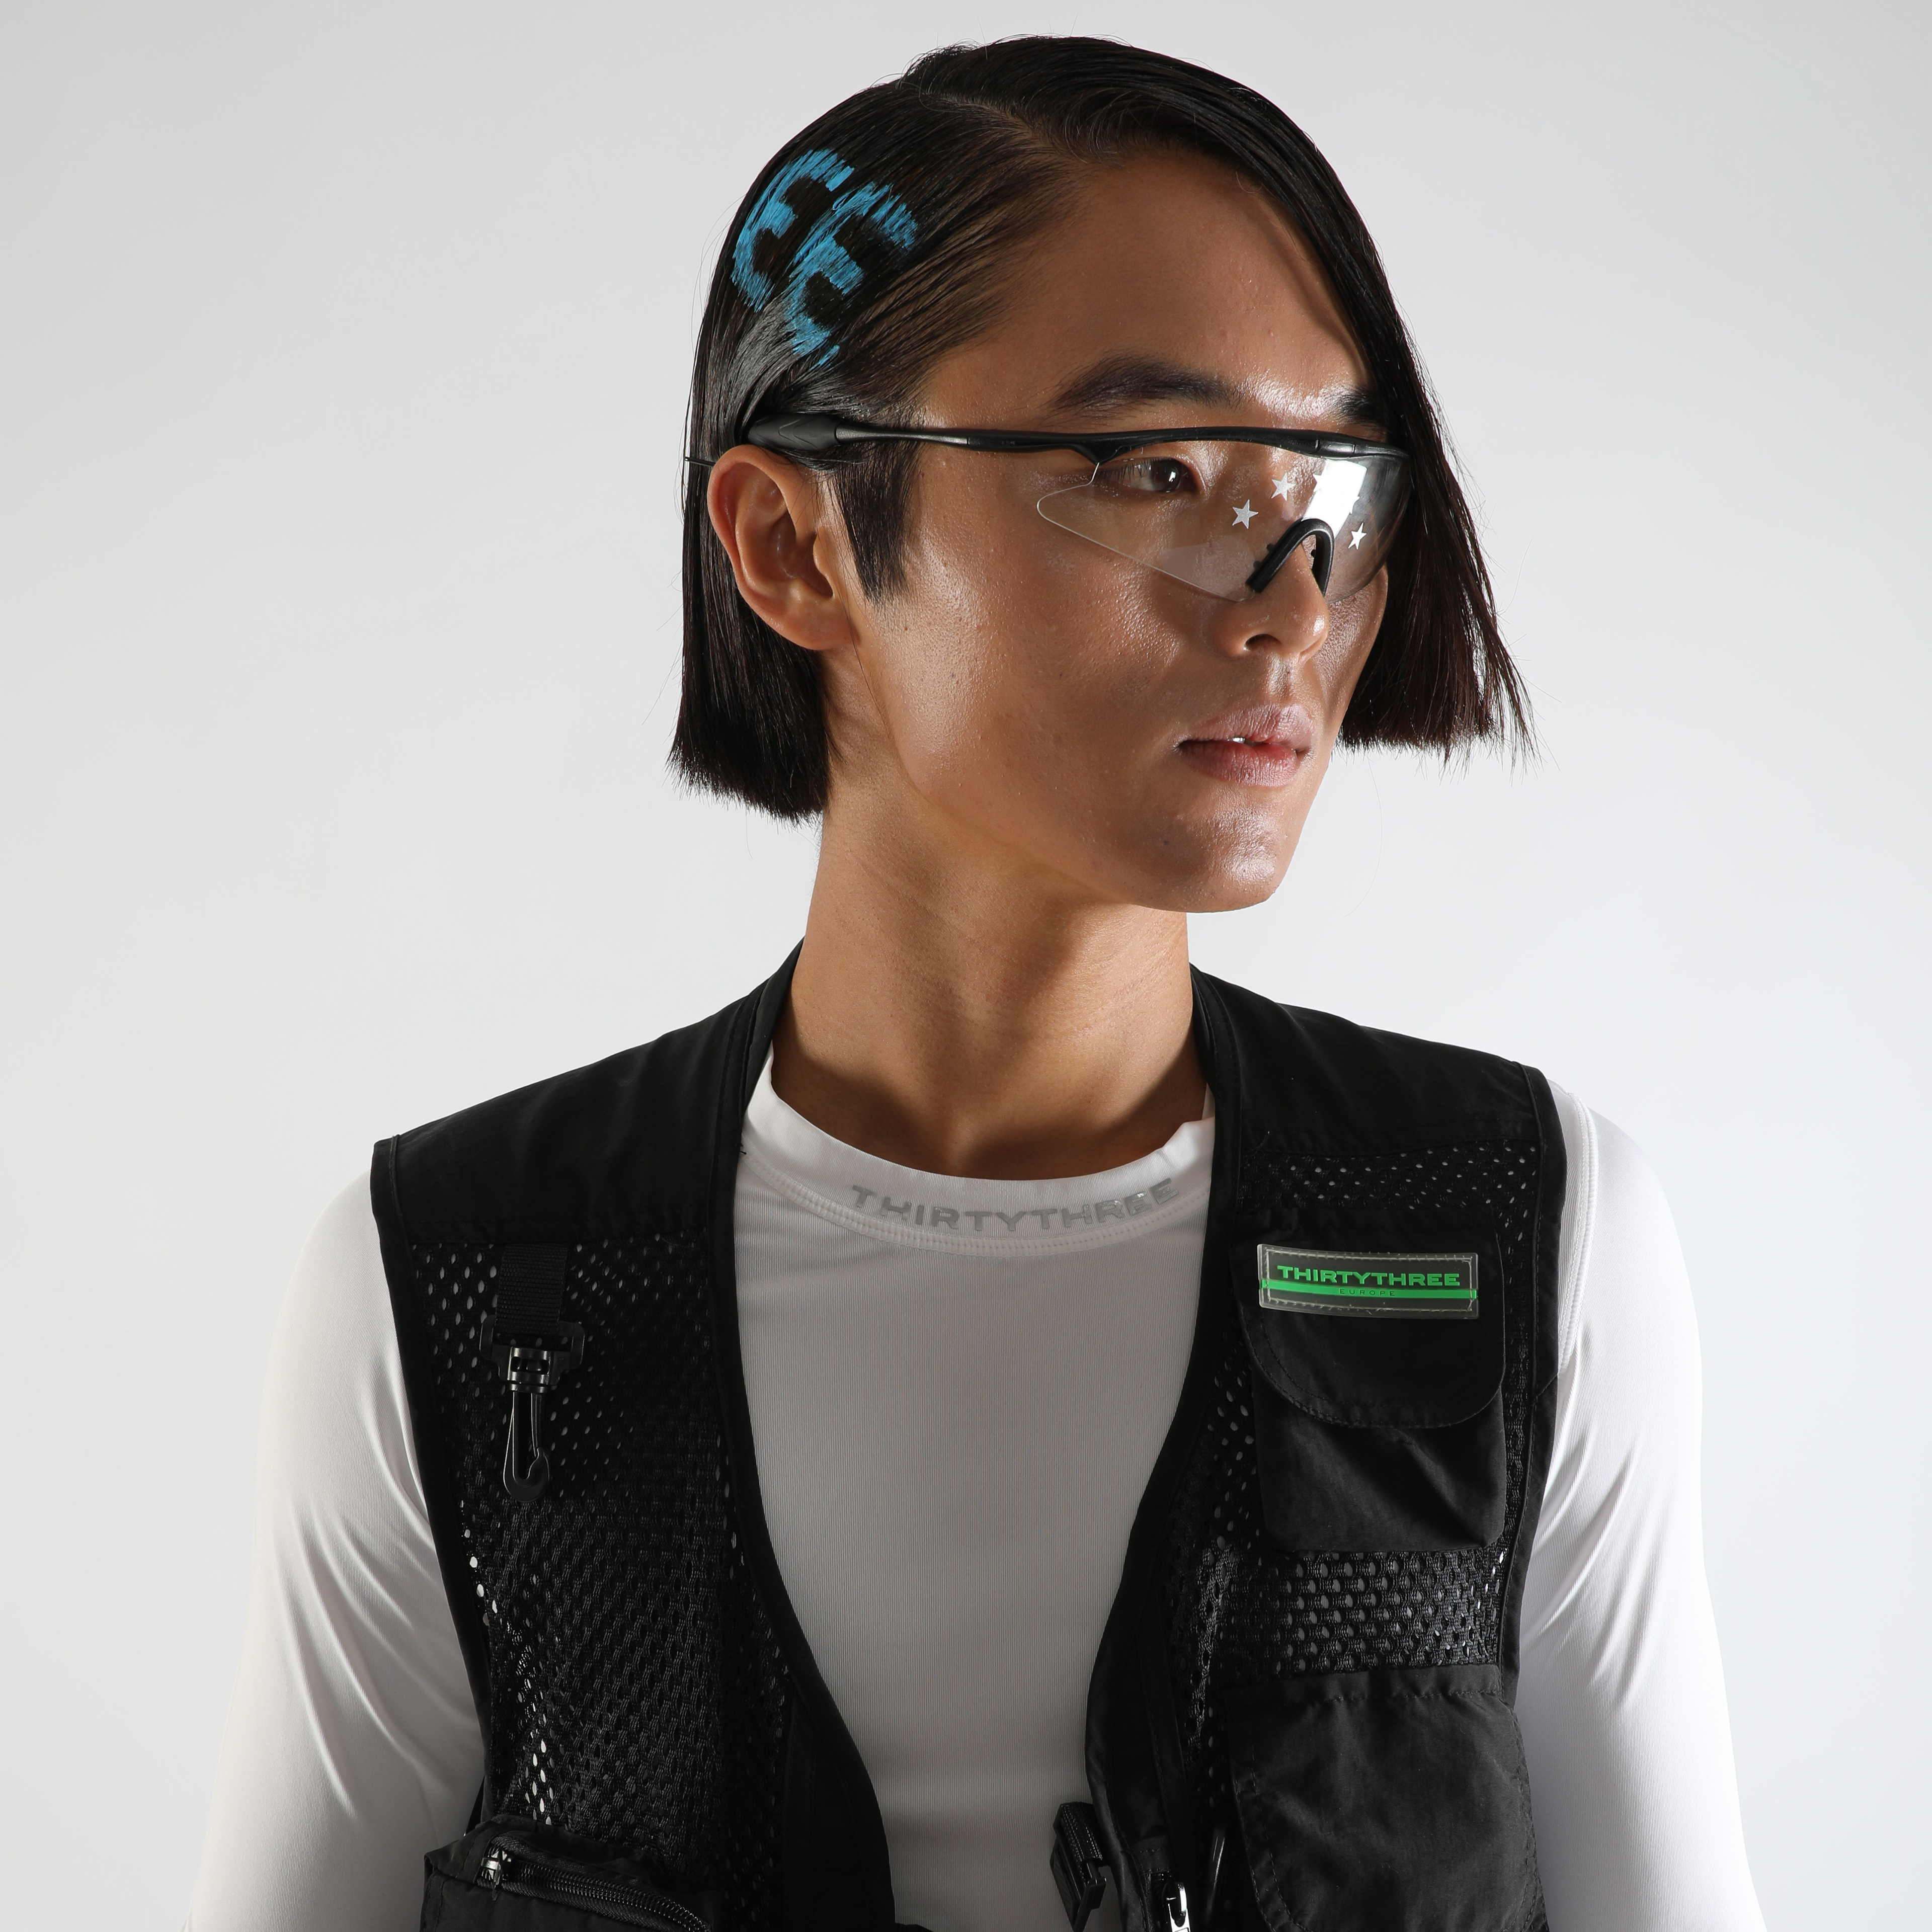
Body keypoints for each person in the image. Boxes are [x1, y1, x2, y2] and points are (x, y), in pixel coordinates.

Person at [187, 37, 1763, 1932]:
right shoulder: (450, 1281)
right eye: (1156, 470)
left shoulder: (1524, 1232)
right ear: (793, 547)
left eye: (1333, 482)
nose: (1291, 599)